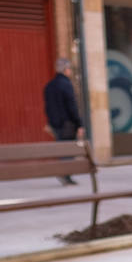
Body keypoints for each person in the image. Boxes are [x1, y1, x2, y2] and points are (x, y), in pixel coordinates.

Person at [43, 57, 84, 185]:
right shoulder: (66, 85)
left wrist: (51, 122)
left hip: (56, 124)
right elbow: (72, 106)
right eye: (69, 69)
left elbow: (47, 107)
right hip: (67, 124)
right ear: (66, 70)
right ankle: (65, 175)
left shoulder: (49, 86)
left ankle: (64, 174)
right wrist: (79, 124)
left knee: (62, 149)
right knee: (68, 150)